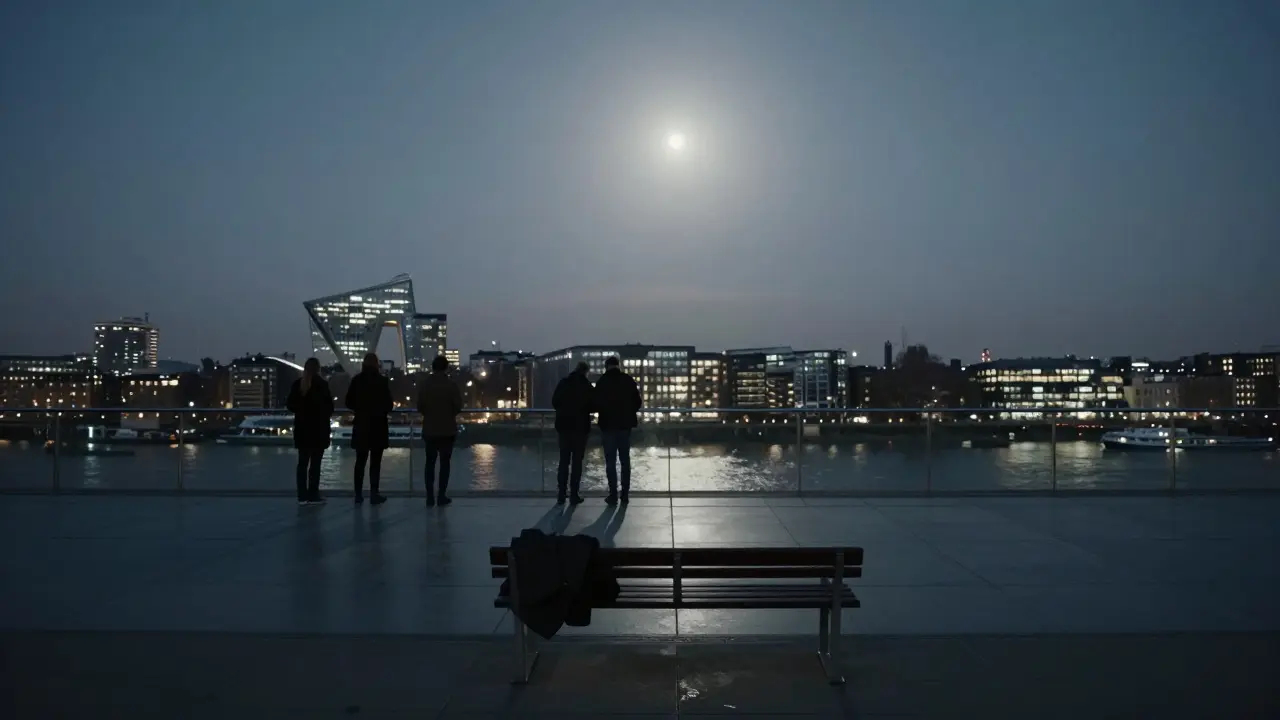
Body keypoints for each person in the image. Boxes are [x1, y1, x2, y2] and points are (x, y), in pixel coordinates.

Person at [345, 352, 392, 504]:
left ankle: (358, 495)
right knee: (375, 463)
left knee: (360, 461)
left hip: (362, 425)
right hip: (378, 425)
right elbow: (389, 405)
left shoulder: (356, 381)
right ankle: (374, 493)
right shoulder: (382, 381)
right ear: (377, 364)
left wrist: (360, 409)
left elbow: (348, 402)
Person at [594, 355, 642, 505]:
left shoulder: (602, 381)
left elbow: (595, 403)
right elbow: (637, 402)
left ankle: (613, 494)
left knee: (610, 462)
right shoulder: (627, 380)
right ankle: (625, 494)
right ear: (618, 365)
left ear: (606, 366)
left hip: (608, 426)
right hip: (624, 426)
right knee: (625, 461)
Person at [286, 358, 334, 505]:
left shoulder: (298, 384)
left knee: (302, 464)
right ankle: (313, 494)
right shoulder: (322, 385)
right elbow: (329, 408)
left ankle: (302, 496)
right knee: (315, 464)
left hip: (302, 429)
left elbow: (290, 405)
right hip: (318, 430)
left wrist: (301, 412)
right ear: (318, 369)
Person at [417, 354, 463, 506]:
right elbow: (458, 406)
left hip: (430, 429)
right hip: (447, 430)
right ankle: (441, 495)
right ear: (446, 367)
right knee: (445, 464)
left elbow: (420, 406)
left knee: (429, 463)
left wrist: (429, 415)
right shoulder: (451, 385)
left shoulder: (425, 385)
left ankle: (429, 496)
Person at [552, 361, 594, 505]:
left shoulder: (563, 383)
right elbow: (593, 405)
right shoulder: (586, 386)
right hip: (580, 429)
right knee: (577, 462)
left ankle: (561, 494)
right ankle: (574, 494)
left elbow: (554, 402)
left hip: (564, 427)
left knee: (563, 461)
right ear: (586, 371)